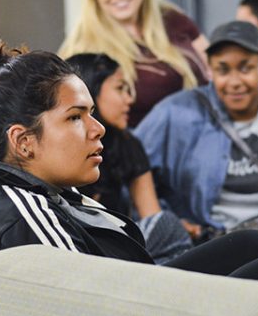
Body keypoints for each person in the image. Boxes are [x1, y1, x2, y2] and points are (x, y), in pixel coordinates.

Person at [0, 42, 258, 284]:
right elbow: (87, 313)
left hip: (136, 293)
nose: (97, 128)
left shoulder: (39, 187)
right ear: (23, 141)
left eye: (91, 113)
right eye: (75, 117)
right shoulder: (22, 212)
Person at [135, 21, 258, 235]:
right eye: (223, 70)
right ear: (210, 71)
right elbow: (132, 165)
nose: (235, 82)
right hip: (207, 243)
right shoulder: (176, 113)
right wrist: (167, 221)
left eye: (245, 68)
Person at [59, 0, 209, 127]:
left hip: (201, 136)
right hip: (140, 151)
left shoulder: (173, 18)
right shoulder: (83, 47)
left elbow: (213, 68)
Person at [66, 53, 193, 263]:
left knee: (166, 228)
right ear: (90, 90)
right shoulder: (63, 147)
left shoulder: (127, 143)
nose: (130, 98)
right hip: (83, 250)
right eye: (120, 88)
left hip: (122, 246)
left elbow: (151, 212)